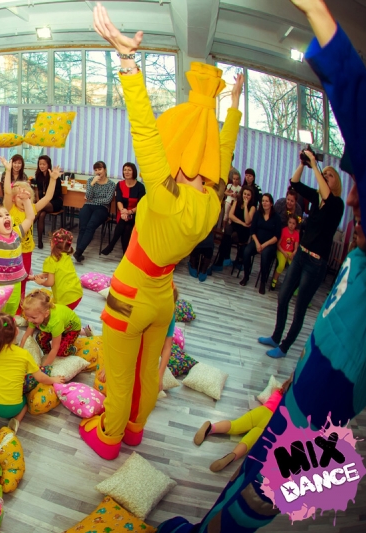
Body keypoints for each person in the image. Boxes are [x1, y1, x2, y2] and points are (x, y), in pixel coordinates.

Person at [157, 2, 366, 530]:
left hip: (319, 422)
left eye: (363, 192)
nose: (354, 201)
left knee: (256, 500)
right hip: (301, 393)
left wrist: (320, 15)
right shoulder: (362, 258)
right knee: (249, 476)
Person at [82, 4, 243, 460]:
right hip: (163, 299)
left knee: (119, 375)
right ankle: (134, 431)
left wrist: (127, 61)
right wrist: (230, 106)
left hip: (130, 294)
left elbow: (145, 131)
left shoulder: (167, 193)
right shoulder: (212, 201)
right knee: (147, 372)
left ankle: (109, 439)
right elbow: (223, 149)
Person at [258, 150, 344, 358]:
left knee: (300, 307)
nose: (325, 176)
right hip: (301, 256)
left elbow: (327, 196)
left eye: (330, 175)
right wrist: (303, 163)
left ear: (337, 183)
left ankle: (284, 347)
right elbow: (294, 183)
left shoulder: (336, 204)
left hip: (315, 264)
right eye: (325, 174)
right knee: (283, 296)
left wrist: (315, 164)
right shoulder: (317, 198)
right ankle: (276, 336)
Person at [0, 314, 63, 428]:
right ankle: (16, 421)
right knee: (25, 402)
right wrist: (53, 379)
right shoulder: (24, 354)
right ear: (17, 331)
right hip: (13, 408)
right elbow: (40, 377)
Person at [193, 376, 292, 472]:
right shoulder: (291, 405)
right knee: (248, 442)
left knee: (235, 425)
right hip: (271, 421)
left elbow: (275, 388)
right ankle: (233, 455)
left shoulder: (277, 391)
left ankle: (211, 428)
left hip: (261, 411)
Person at [3, 156, 61, 302]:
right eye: (20, 197)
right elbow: (7, 192)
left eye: (26, 197)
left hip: (26, 251)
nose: (23, 199)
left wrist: (53, 179)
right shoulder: (10, 209)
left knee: (23, 278)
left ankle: (20, 300)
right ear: (14, 198)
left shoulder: (32, 209)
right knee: (11, 279)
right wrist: (8, 171)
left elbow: (48, 197)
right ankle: (9, 299)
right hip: (11, 251)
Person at [0, 188, 34, 315]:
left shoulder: (17, 233)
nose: (5, 216)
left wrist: (26, 200)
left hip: (16, 283)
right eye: (0, 216)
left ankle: (9, 325)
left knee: (11, 312)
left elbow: (30, 218)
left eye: (7, 214)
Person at [20, 289, 82, 366]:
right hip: (57, 327)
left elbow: (55, 347)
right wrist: (20, 352)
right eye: (27, 316)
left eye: (33, 317)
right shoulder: (33, 316)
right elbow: (27, 335)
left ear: (46, 314)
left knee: (60, 351)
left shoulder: (55, 322)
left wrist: (44, 367)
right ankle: (48, 355)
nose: (29, 320)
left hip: (71, 329)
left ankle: (72, 349)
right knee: (40, 338)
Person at [73, 161, 117, 263]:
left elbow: (107, 200)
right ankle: (78, 252)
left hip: (102, 208)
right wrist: (92, 184)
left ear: (105, 170)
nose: (98, 172)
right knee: (83, 227)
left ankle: (78, 252)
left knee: (90, 226)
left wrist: (93, 200)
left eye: (100, 169)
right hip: (88, 206)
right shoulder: (90, 180)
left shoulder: (111, 184)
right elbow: (88, 196)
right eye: (96, 170)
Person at [239, 193, 282, 294]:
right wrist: (258, 244)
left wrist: (264, 245)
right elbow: (252, 231)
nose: (264, 203)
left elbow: (277, 236)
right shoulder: (258, 214)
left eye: (266, 201)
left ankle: (262, 282)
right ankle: (246, 276)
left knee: (265, 255)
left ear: (271, 203)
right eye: (263, 201)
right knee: (246, 251)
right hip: (257, 241)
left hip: (269, 244)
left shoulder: (276, 217)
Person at [31, 229, 83, 310]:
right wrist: (42, 275)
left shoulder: (50, 261)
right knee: (66, 313)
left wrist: (41, 282)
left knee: (56, 314)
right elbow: (58, 271)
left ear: (52, 243)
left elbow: (50, 282)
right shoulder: (67, 256)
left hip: (65, 299)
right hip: (77, 294)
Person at [101, 162, 145, 256]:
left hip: (135, 213)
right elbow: (119, 201)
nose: (126, 172)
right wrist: (123, 211)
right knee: (125, 225)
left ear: (134, 171)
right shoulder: (120, 184)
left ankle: (112, 245)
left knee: (126, 227)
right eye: (125, 170)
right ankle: (125, 255)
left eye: (129, 170)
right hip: (122, 212)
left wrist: (129, 212)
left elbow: (141, 205)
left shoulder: (140, 187)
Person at [213, 187, 256, 271]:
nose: (246, 196)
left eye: (248, 195)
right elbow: (230, 215)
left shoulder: (252, 207)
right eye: (244, 194)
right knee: (228, 231)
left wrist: (246, 206)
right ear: (242, 194)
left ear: (251, 196)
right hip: (235, 226)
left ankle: (222, 260)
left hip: (244, 230)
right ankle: (224, 259)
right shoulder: (236, 202)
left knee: (229, 236)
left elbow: (247, 221)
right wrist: (242, 223)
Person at [34, 155, 65, 249]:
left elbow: (57, 193)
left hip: (55, 202)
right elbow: (39, 191)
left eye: (44, 164)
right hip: (44, 202)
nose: (42, 166)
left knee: (39, 208)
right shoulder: (38, 175)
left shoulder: (54, 176)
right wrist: (41, 200)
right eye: (40, 164)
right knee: (41, 215)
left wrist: (44, 200)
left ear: (48, 165)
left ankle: (28, 225)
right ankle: (39, 241)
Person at [271, 214, 300, 290]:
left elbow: (296, 248)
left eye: (293, 223)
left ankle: (290, 285)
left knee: (294, 267)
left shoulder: (296, 234)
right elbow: (278, 244)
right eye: (290, 222)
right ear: (287, 222)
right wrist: (284, 253)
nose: (291, 225)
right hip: (281, 251)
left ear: (296, 225)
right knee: (281, 265)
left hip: (290, 252)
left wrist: (293, 254)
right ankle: (274, 280)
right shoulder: (284, 230)